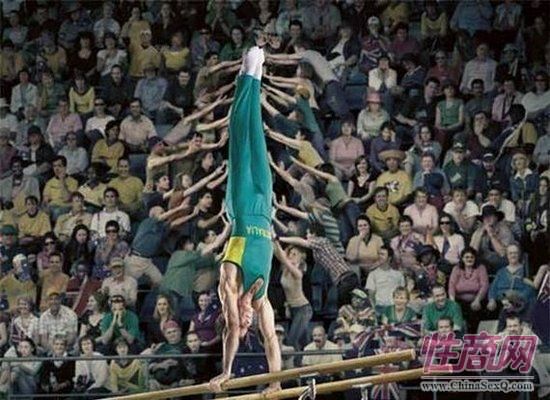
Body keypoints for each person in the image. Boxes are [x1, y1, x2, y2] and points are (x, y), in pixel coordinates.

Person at [209, 39, 281, 394]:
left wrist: (226, 371)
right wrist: (275, 383)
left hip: (241, 205)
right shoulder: (262, 299)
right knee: (257, 137)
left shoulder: (230, 281)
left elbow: (230, 329)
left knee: (239, 140)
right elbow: (271, 341)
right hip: (265, 209)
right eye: (249, 323)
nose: (248, 320)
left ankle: (244, 76)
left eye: (243, 321)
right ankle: (258, 75)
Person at [273, 240, 312, 351]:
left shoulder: (298, 272)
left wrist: (276, 240)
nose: (291, 256)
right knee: (303, 342)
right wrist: (273, 241)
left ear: (301, 258)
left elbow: (283, 259)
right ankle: (304, 360)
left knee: (292, 341)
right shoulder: (285, 268)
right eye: (290, 253)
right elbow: (278, 254)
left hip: (303, 309)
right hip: (292, 309)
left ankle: (297, 362)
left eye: (295, 254)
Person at [448, 247, 489, 332]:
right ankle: (458, 335)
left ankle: (471, 337)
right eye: (467, 257)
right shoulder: (456, 269)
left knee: (474, 312)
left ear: (475, 258)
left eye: (472, 257)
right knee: (456, 310)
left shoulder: (481, 268)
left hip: (476, 300)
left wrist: (477, 300)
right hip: (459, 301)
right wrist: (452, 302)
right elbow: (451, 285)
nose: (469, 259)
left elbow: (484, 285)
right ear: (462, 259)